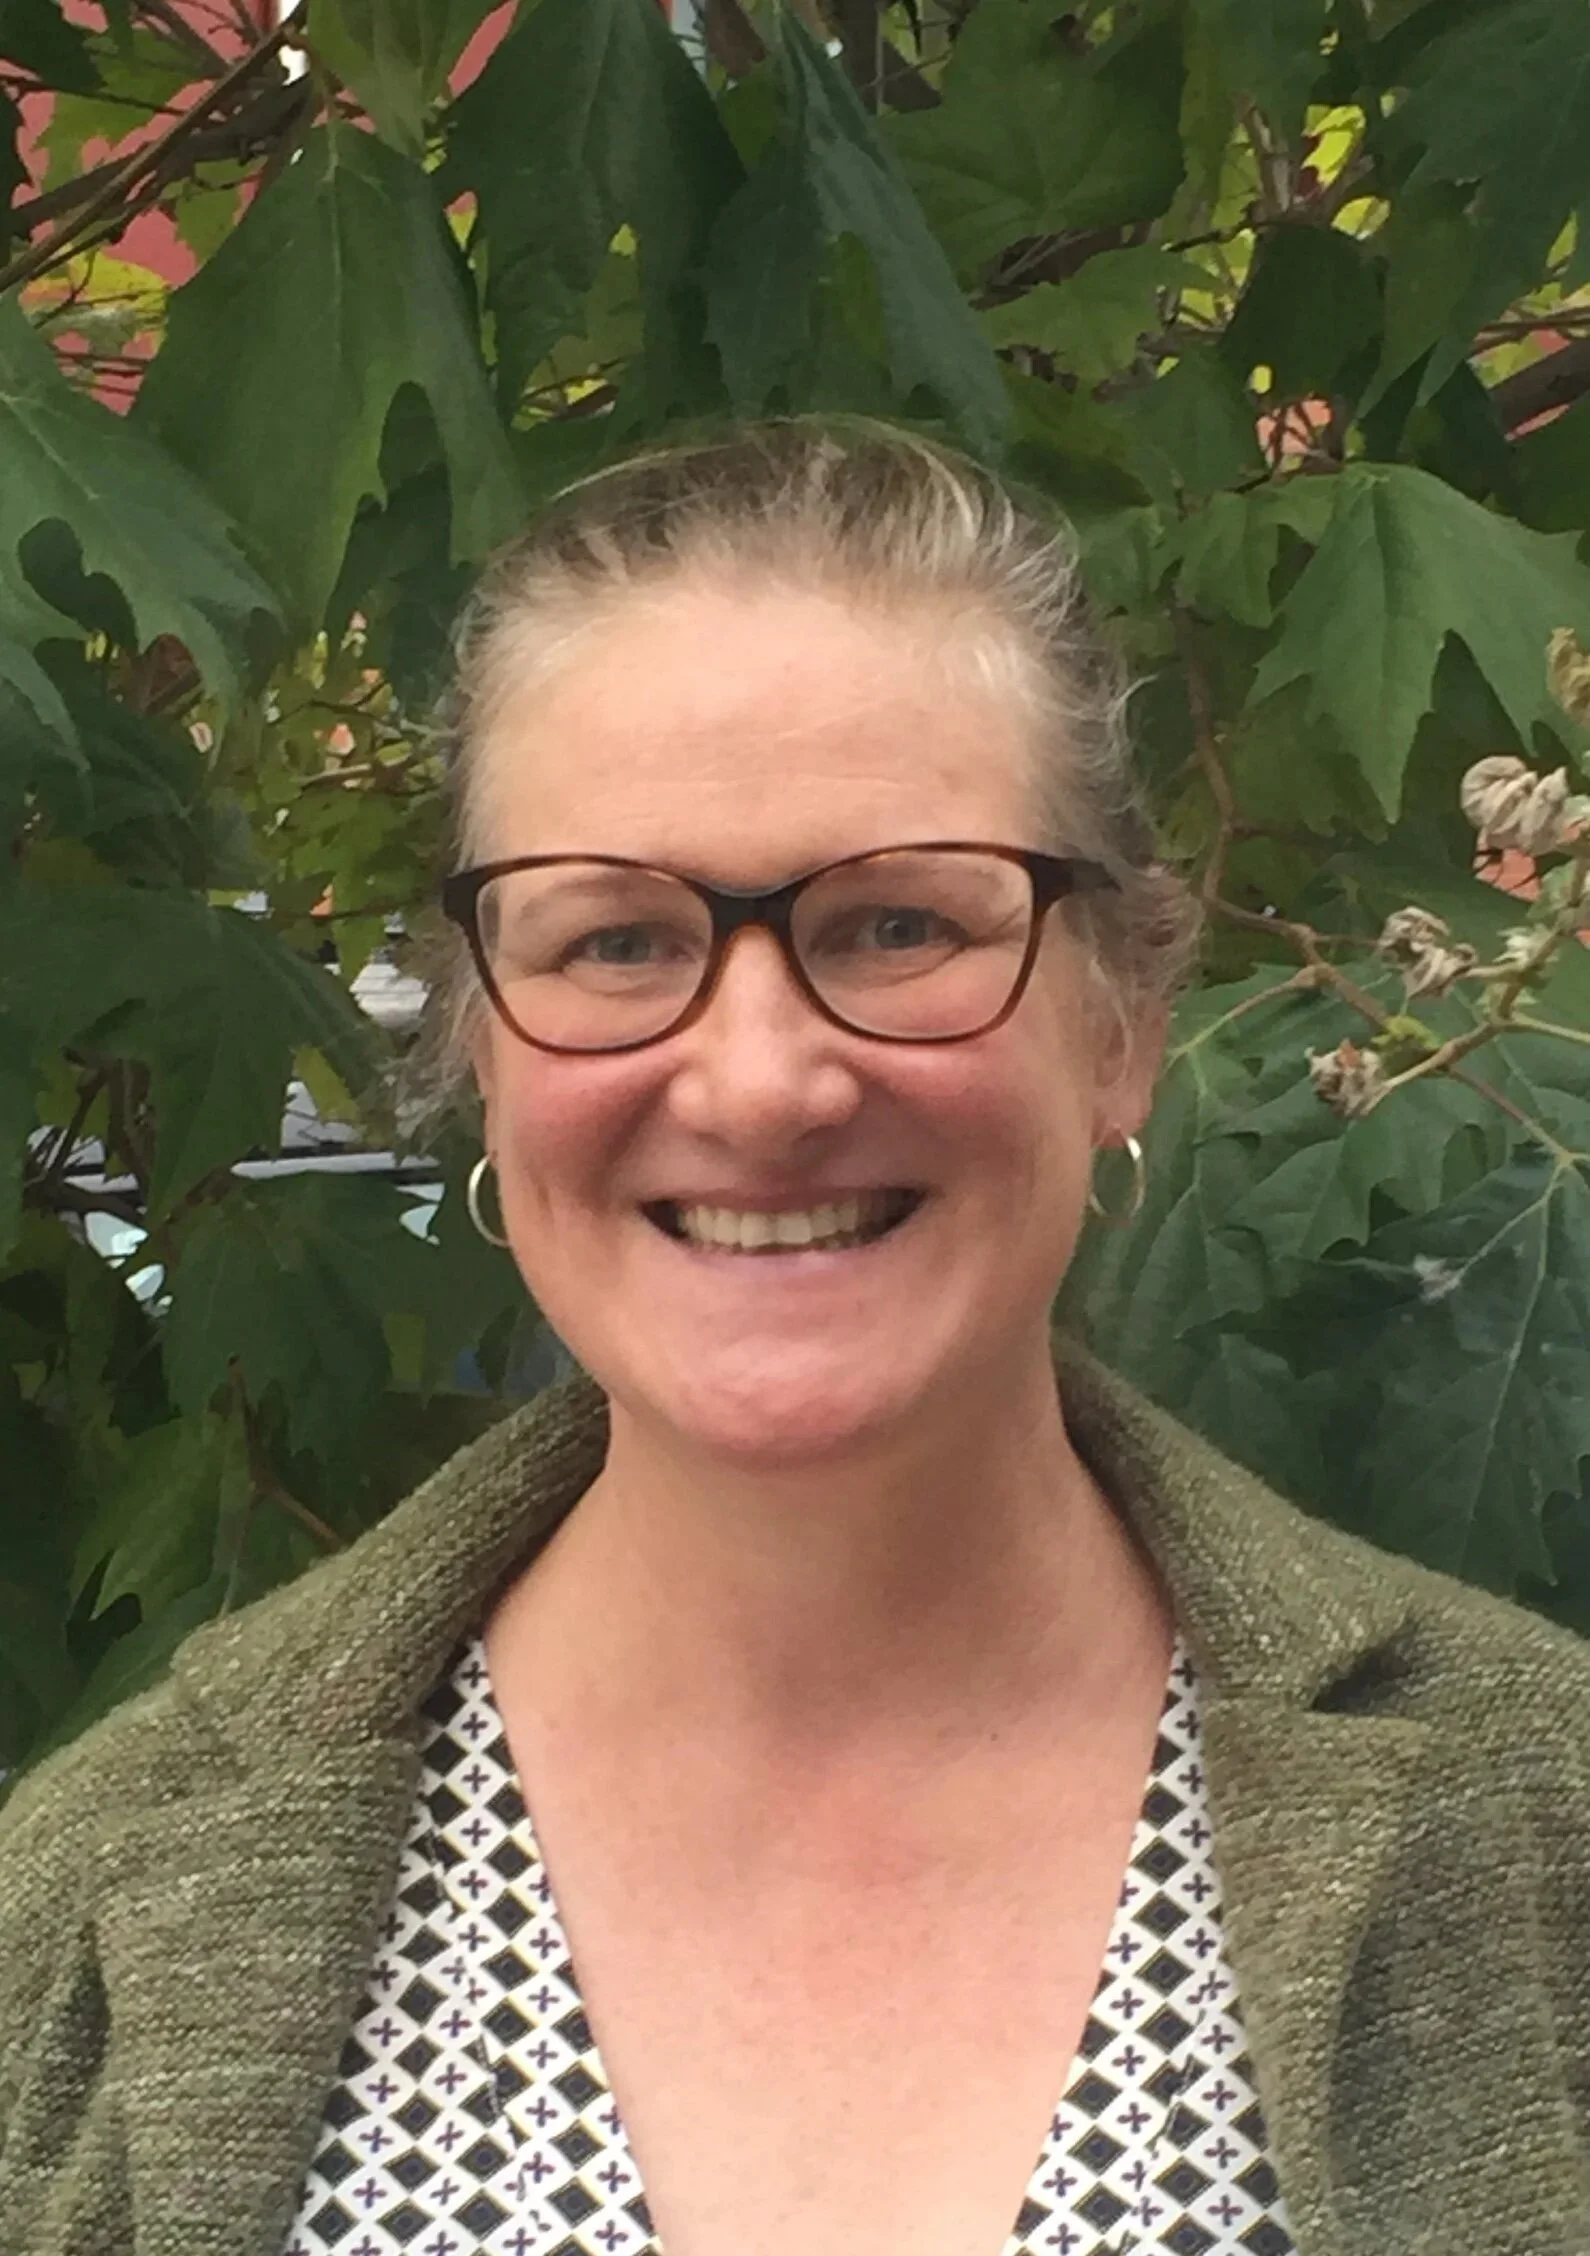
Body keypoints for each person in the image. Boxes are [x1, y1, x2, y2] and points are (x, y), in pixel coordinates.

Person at [1, 422, 1587, 2256]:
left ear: (1124, 1018)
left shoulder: (1540, 1828)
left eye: (899, 919)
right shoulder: (94, 1900)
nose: (759, 1084)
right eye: (613, 942)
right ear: (480, 1044)